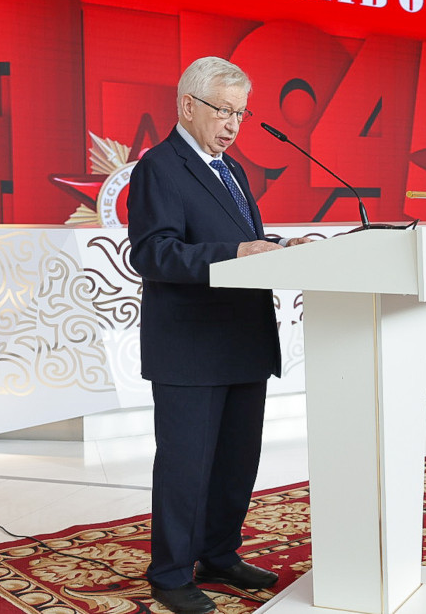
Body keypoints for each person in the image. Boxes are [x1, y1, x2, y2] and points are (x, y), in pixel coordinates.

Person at [127, 56, 311, 614]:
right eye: (224, 111)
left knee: (236, 462)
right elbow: (153, 253)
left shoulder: (231, 170)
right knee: (186, 466)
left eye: (241, 113)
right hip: (191, 346)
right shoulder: (159, 167)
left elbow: (239, 242)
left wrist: (278, 248)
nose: (233, 124)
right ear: (188, 106)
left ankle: (219, 553)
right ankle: (171, 574)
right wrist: (237, 251)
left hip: (242, 339)